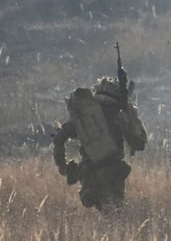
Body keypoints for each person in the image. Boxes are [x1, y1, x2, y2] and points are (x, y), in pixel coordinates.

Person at [54, 74, 147, 209]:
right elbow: (139, 144)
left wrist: (61, 164)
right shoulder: (118, 112)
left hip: (88, 174)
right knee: (114, 215)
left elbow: (59, 138)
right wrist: (131, 115)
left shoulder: (85, 112)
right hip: (112, 173)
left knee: (98, 214)